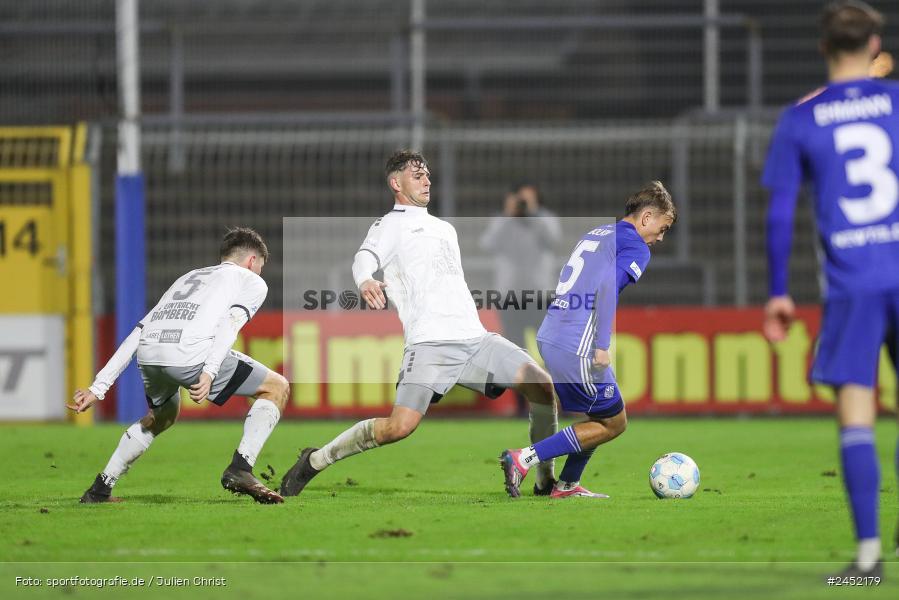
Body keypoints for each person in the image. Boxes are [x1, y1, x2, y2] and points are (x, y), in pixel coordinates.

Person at [279, 150, 559, 497]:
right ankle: (316, 460)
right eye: (417, 175)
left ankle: (545, 479)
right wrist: (365, 279)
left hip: (475, 339)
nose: (426, 179)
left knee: (542, 385)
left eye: (427, 174)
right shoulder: (389, 224)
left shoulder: (445, 229)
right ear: (396, 183)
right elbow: (364, 257)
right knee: (398, 427)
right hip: (429, 345)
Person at [762, 0, 897, 577]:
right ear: (874, 45)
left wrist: (777, 290)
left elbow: (779, 211)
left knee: (857, 416)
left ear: (823, 49)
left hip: (854, 283)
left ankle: (868, 557)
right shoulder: (895, 102)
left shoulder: (802, 118)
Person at [70, 228, 288, 504]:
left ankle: (100, 489)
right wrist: (209, 372)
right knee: (276, 387)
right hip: (189, 356)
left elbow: (140, 329)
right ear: (251, 260)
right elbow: (229, 324)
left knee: (161, 416)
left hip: (150, 355)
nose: (260, 274)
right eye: (260, 268)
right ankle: (241, 468)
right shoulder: (251, 281)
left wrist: (98, 388)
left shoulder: (189, 277)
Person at [500, 181, 675, 498]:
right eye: (662, 229)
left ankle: (566, 485)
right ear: (647, 217)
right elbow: (607, 287)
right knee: (613, 423)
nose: (660, 238)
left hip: (554, 330)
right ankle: (522, 458)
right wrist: (602, 345)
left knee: (607, 417)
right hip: (578, 340)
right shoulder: (635, 245)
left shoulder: (598, 233)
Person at [479, 183, 561, 415]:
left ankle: (556, 400)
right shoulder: (503, 221)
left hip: (540, 296)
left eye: (528, 199)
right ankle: (522, 406)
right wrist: (508, 216)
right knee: (515, 353)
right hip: (510, 298)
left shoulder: (545, 219)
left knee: (549, 351)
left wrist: (533, 214)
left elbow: (553, 240)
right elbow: (488, 244)